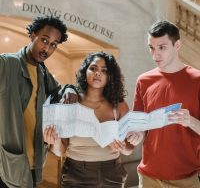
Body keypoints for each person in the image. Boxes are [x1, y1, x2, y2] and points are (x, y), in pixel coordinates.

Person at [44, 51, 143, 188]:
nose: (98, 73)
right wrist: (54, 140)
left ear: (110, 76)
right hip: (76, 173)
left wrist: (122, 145)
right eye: (93, 68)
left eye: (104, 70)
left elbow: (128, 150)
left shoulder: (118, 105)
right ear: (85, 71)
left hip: (112, 173)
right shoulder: (70, 102)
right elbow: (59, 151)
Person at [0, 16, 71, 188]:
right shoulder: (7, 64)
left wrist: (70, 90)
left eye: (53, 44)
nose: (47, 48)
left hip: (34, 165)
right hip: (7, 166)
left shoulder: (43, 74)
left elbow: (60, 90)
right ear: (32, 36)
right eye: (44, 40)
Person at [132, 20, 200, 188]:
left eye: (162, 47)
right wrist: (136, 135)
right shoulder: (143, 81)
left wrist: (190, 121)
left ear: (177, 45)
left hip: (187, 178)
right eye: (151, 48)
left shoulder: (197, 80)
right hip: (148, 178)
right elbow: (139, 126)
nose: (155, 55)